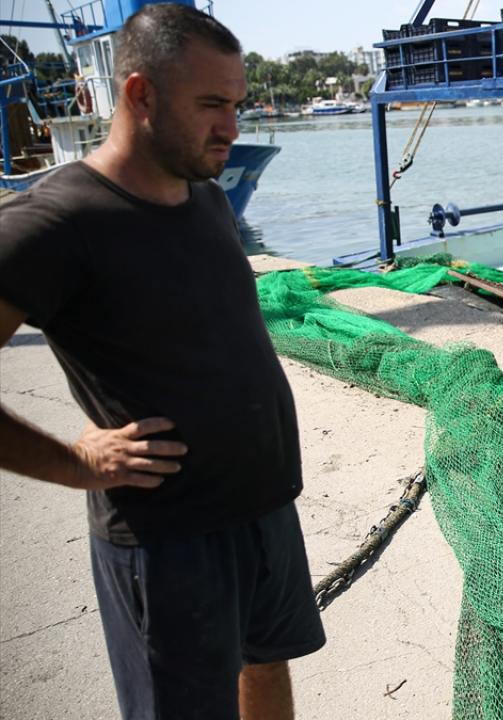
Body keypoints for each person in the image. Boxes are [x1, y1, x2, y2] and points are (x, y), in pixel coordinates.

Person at [0, 5, 325, 718]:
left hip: (263, 509)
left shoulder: (205, 196)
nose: (232, 128)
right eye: (211, 104)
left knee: (265, 666)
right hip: (169, 538)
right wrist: (74, 464)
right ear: (140, 95)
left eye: (237, 104)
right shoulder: (57, 221)